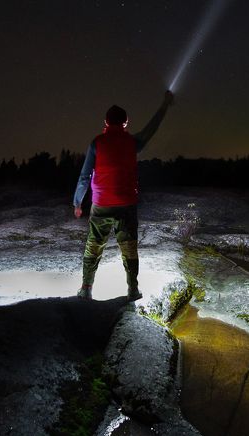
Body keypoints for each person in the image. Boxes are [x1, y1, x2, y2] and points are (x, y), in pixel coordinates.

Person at [73, 90, 174, 300]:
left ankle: (86, 289)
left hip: (101, 204)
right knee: (129, 247)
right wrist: (164, 106)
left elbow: (84, 176)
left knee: (93, 246)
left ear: (106, 122)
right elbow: (151, 128)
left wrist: (77, 202)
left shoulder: (97, 142)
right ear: (126, 123)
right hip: (126, 203)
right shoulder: (133, 143)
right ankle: (132, 289)